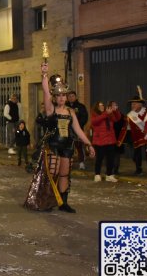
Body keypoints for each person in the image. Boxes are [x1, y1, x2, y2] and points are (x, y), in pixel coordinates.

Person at [24, 64, 94, 213]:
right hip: (53, 145)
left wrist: (89, 144)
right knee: (52, 172)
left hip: (67, 146)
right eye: (59, 95)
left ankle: (63, 203)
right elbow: (45, 91)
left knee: (64, 174)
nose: (62, 98)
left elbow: (78, 130)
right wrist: (44, 74)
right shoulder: (51, 109)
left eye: (64, 95)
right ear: (55, 97)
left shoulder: (70, 111)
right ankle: (47, 199)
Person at [90, 100, 121, 182]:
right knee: (99, 159)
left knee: (111, 159)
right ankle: (97, 174)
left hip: (110, 140)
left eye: (103, 105)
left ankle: (109, 175)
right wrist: (106, 114)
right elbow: (95, 121)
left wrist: (115, 110)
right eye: (100, 106)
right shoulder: (94, 114)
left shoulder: (108, 113)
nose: (102, 107)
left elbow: (116, 119)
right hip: (99, 140)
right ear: (96, 107)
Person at [125, 91, 147, 176]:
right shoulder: (129, 115)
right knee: (136, 155)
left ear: (140, 104)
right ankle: (138, 169)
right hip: (136, 137)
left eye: (135, 104)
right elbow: (128, 128)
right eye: (132, 104)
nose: (133, 105)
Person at [66, 91, 89, 170]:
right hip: (67, 130)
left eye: (72, 96)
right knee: (68, 147)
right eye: (69, 96)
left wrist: (77, 125)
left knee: (79, 146)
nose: (71, 98)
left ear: (75, 97)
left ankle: (81, 162)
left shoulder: (81, 106)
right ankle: (68, 162)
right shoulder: (65, 106)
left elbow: (85, 117)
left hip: (77, 130)